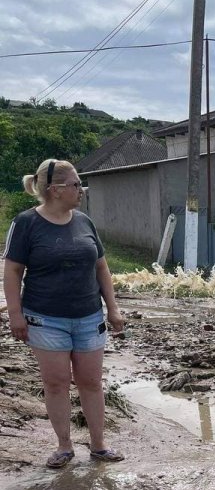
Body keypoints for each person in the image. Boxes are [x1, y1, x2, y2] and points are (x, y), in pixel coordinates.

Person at [3, 158, 125, 468]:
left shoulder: (84, 221)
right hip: (45, 319)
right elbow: (13, 271)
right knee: (56, 382)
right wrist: (15, 314)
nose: (81, 189)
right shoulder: (26, 223)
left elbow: (101, 267)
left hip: (88, 316)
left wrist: (113, 308)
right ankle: (64, 446)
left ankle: (99, 445)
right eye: (76, 184)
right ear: (56, 190)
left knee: (91, 382)